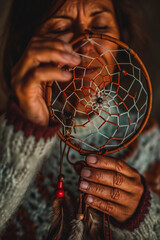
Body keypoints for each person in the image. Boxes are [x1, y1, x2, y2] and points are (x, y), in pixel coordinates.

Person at [0, 0, 160, 239]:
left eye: (101, 26)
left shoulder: (151, 143)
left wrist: (141, 220)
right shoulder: (6, 138)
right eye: (59, 29)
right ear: (26, 45)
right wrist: (26, 130)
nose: (86, 44)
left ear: (121, 38)